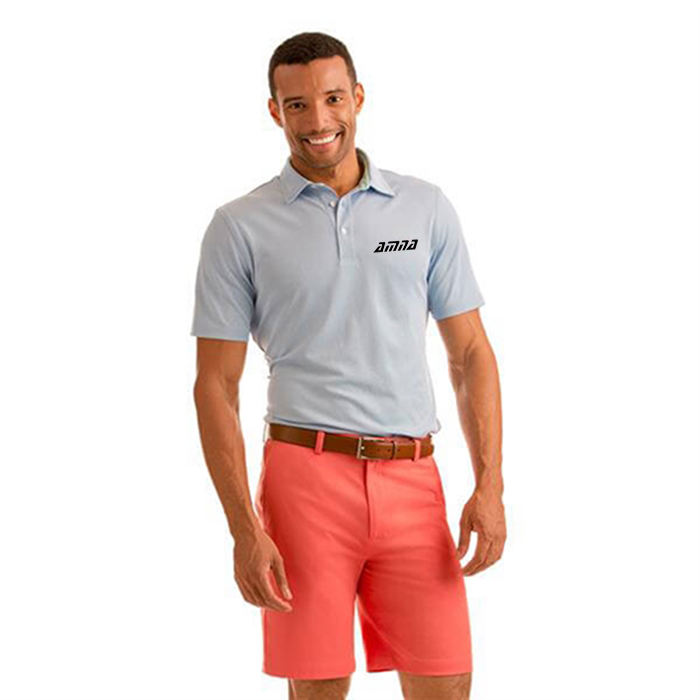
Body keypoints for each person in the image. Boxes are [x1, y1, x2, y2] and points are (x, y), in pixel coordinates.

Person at [190, 31, 505, 700]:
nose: (319, 120)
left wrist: (490, 484)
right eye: (297, 104)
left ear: (358, 98)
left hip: (413, 478)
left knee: (448, 683)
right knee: (318, 689)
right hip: (304, 482)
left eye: (333, 98)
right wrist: (244, 529)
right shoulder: (239, 226)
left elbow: (471, 352)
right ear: (274, 111)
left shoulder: (425, 207)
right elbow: (215, 386)